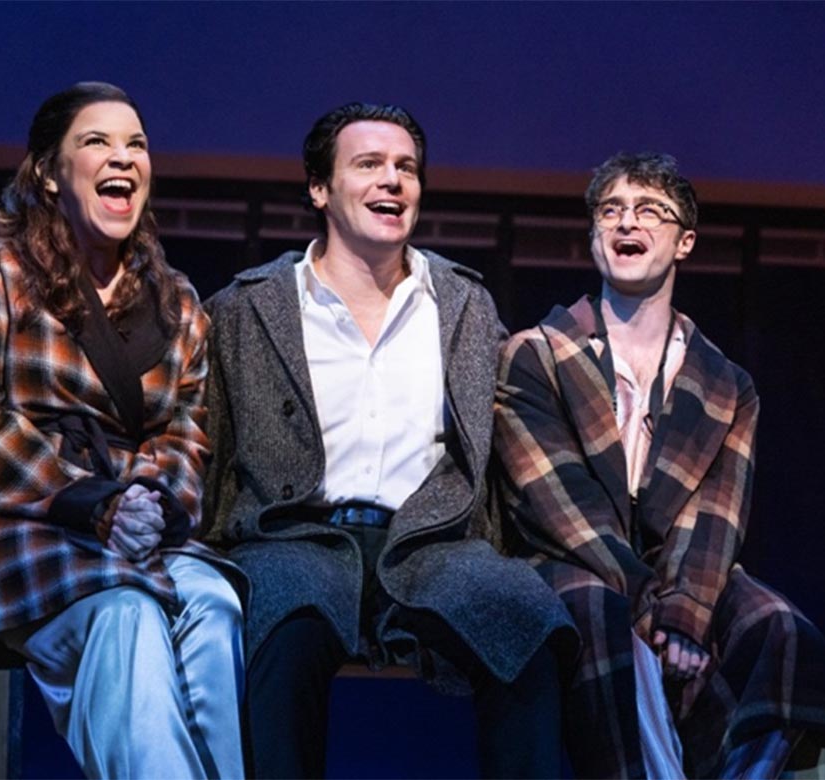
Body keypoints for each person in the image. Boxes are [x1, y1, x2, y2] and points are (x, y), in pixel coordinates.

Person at [0, 82, 245, 780]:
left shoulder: (176, 301)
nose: (124, 158)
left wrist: (148, 502)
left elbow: (185, 431)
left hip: (126, 524)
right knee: (127, 610)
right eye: (97, 142)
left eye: (136, 144)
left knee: (214, 602)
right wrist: (92, 502)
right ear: (50, 173)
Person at [203, 102, 576, 779]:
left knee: (525, 622)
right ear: (320, 188)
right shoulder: (246, 307)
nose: (393, 181)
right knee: (281, 632)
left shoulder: (463, 303)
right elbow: (212, 447)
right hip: (297, 538)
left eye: (406, 167)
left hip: (430, 541)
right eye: (369, 164)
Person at [493, 152, 825, 778]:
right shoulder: (536, 355)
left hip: (679, 573)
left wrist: (685, 614)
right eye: (610, 211)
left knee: (782, 633)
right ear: (593, 235)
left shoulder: (724, 382)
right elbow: (555, 502)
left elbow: (716, 513)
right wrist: (650, 611)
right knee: (600, 615)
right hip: (573, 564)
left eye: (647, 211)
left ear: (684, 241)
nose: (625, 223)